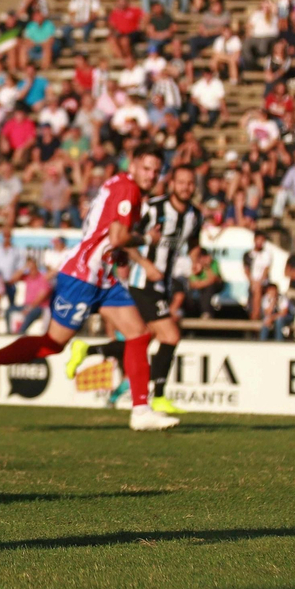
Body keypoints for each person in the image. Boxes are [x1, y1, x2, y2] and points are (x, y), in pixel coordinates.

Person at [0, 146, 177, 430]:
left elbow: (108, 234)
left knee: (139, 334)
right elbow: (118, 236)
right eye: (146, 168)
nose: (151, 175)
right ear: (133, 165)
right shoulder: (129, 190)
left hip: (102, 276)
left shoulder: (121, 185)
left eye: (156, 171)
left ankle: (141, 411)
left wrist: (121, 254)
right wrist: (146, 239)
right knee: (52, 344)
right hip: (83, 276)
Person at [66, 165, 200, 416]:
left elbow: (194, 243)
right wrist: (144, 263)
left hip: (163, 284)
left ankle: (87, 350)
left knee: (144, 337)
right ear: (172, 184)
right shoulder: (154, 208)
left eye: (190, 183)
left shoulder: (194, 215)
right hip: (142, 282)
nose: (186, 187)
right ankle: (157, 397)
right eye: (181, 182)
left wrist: (197, 260)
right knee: (170, 336)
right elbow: (125, 238)